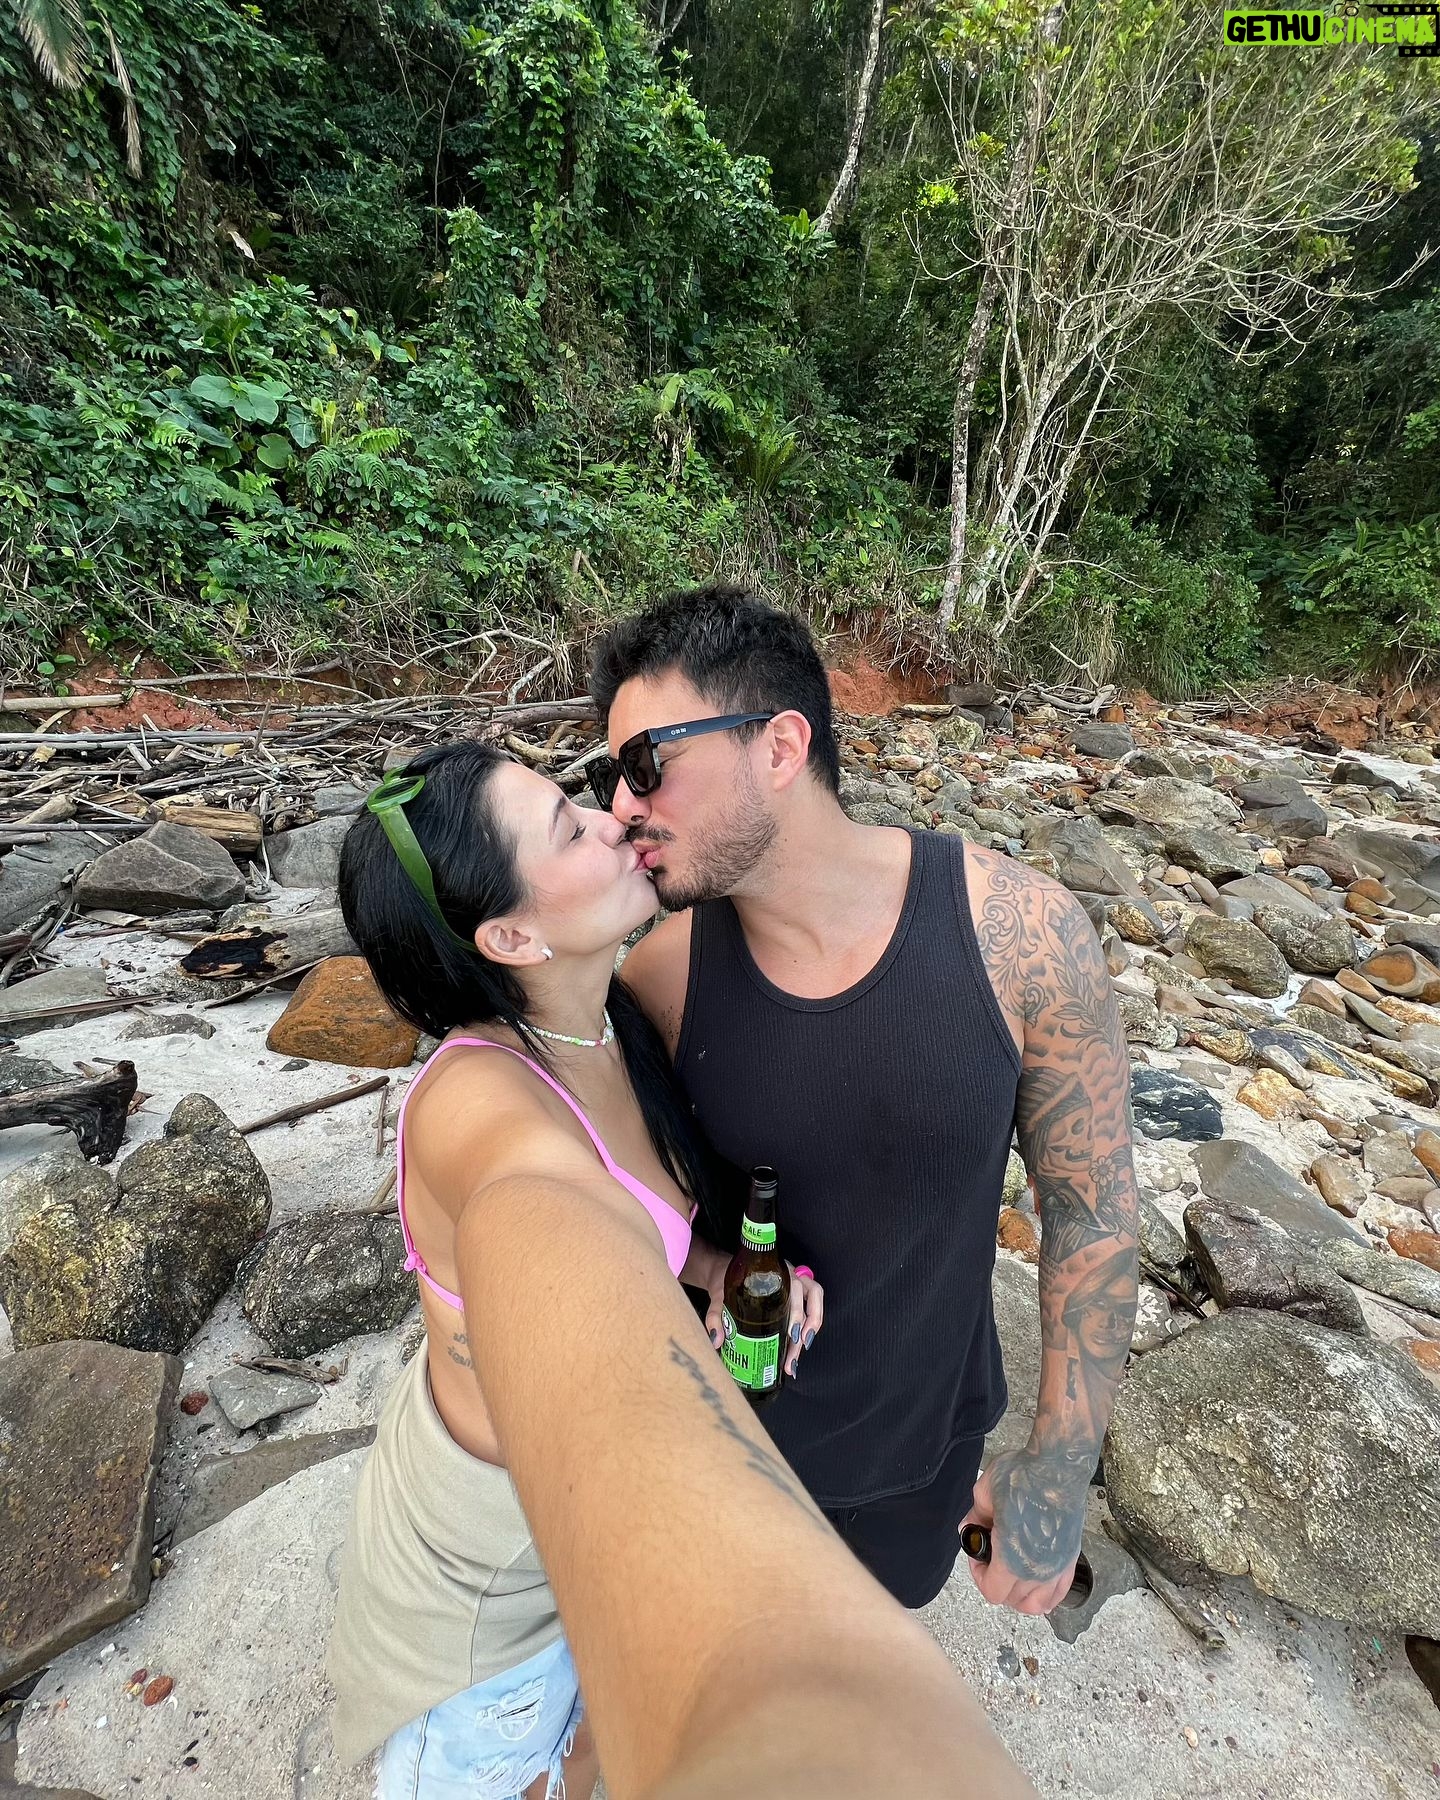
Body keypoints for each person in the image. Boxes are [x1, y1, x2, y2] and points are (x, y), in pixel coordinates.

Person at [591, 584, 1141, 1617]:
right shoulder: (661, 979)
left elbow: (1093, 1214)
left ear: (780, 747)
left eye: (646, 764)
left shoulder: (1022, 937)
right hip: (722, 1450)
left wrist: (1059, 1478)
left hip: (921, 1454)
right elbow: (608, 1206)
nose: (622, 806)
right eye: (607, 776)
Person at [326, 740, 826, 1797]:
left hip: (587, 1543)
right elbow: (547, 1220)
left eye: (579, 800)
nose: (615, 819)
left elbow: (650, 1225)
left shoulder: (605, 1022)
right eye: (569, 828)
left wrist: (721, 1272)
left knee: (584, 1747)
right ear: (510, 935)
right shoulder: (475, 1105)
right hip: (494, 1572)